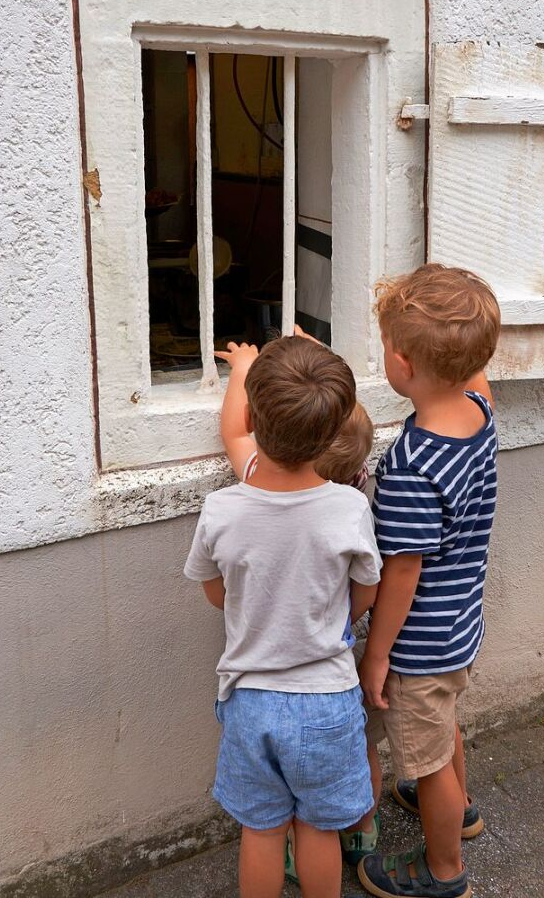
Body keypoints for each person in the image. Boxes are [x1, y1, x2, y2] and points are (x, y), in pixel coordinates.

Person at [184, 335, 382, 898]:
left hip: (251, 701)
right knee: (318, 830)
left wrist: (243, 369)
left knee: (262, 831)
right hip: (328, 698)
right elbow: (365, 592)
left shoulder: (224, 507)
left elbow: (216, 596)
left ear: (254, 415)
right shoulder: (349, 506)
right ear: (333, 432)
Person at [357, 264, 500, 898]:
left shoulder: (415, 466)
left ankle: (443, 872)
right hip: (459, 623)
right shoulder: (477, 408)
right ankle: (457, 808)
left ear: (405, 365)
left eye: (387, 345)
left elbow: (400, 573)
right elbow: (473, 369)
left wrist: (378, 655)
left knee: (428, 753)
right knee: (441, 729)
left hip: (418, 644)